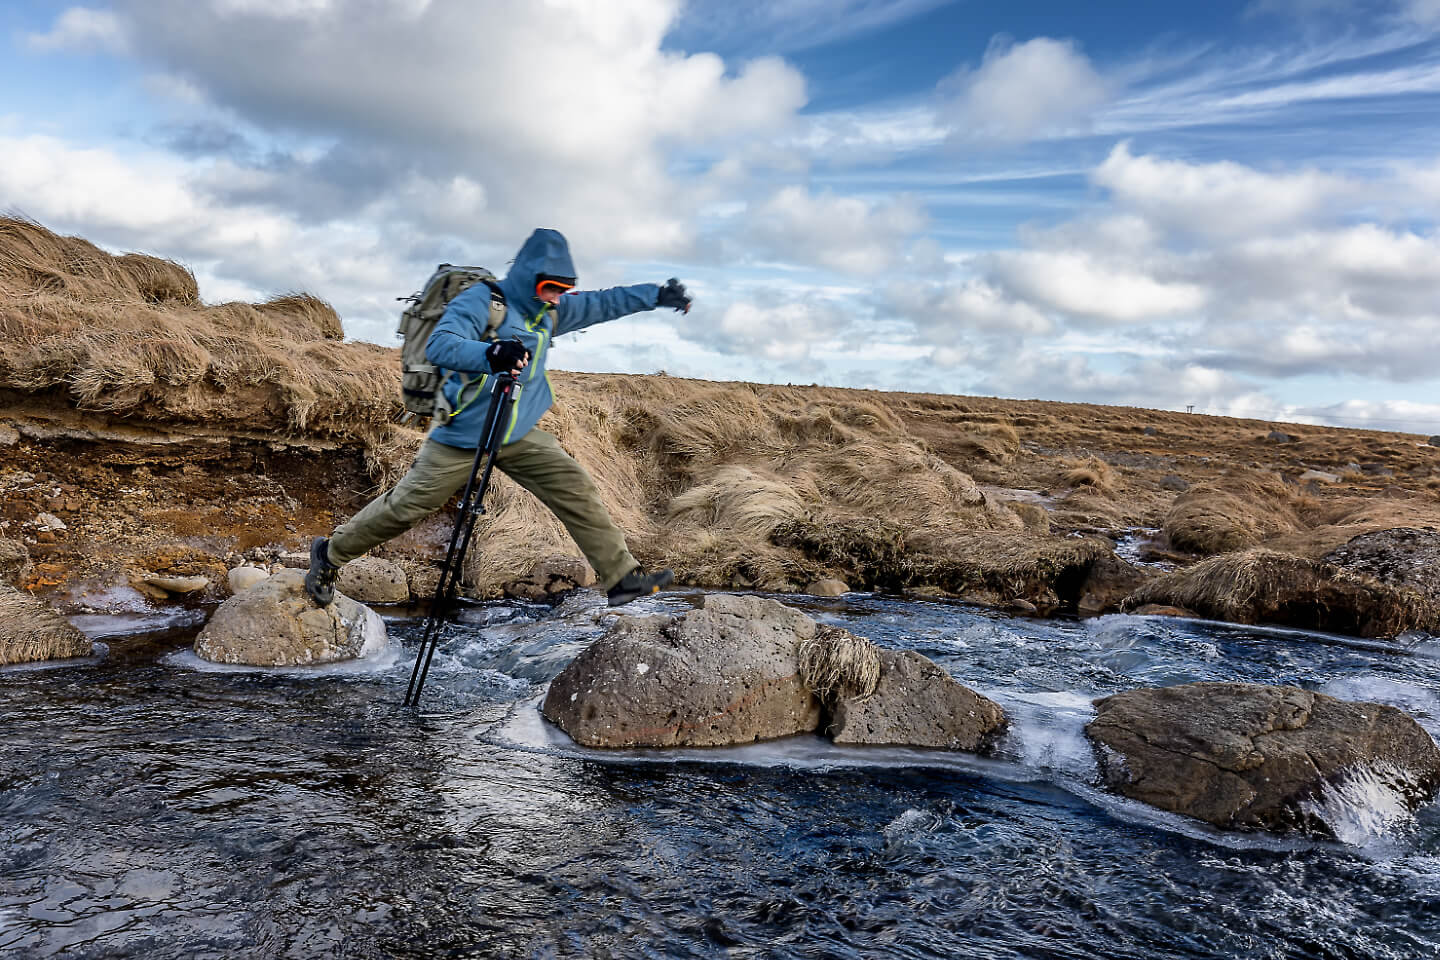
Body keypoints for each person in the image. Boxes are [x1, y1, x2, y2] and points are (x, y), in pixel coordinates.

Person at [305, 227, 691, 608]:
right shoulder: (482, 301)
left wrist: (656, 295)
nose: (557, 299)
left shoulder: (550, 312)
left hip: (517, 433)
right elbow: (442, 343)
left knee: (575, 486)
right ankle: (330, 555)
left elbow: (605, 303)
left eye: (563, 290)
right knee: (405, 507)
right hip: (464, 433)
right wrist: (489, 355)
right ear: (529, 280)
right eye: (549, 289)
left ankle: (622, 578)